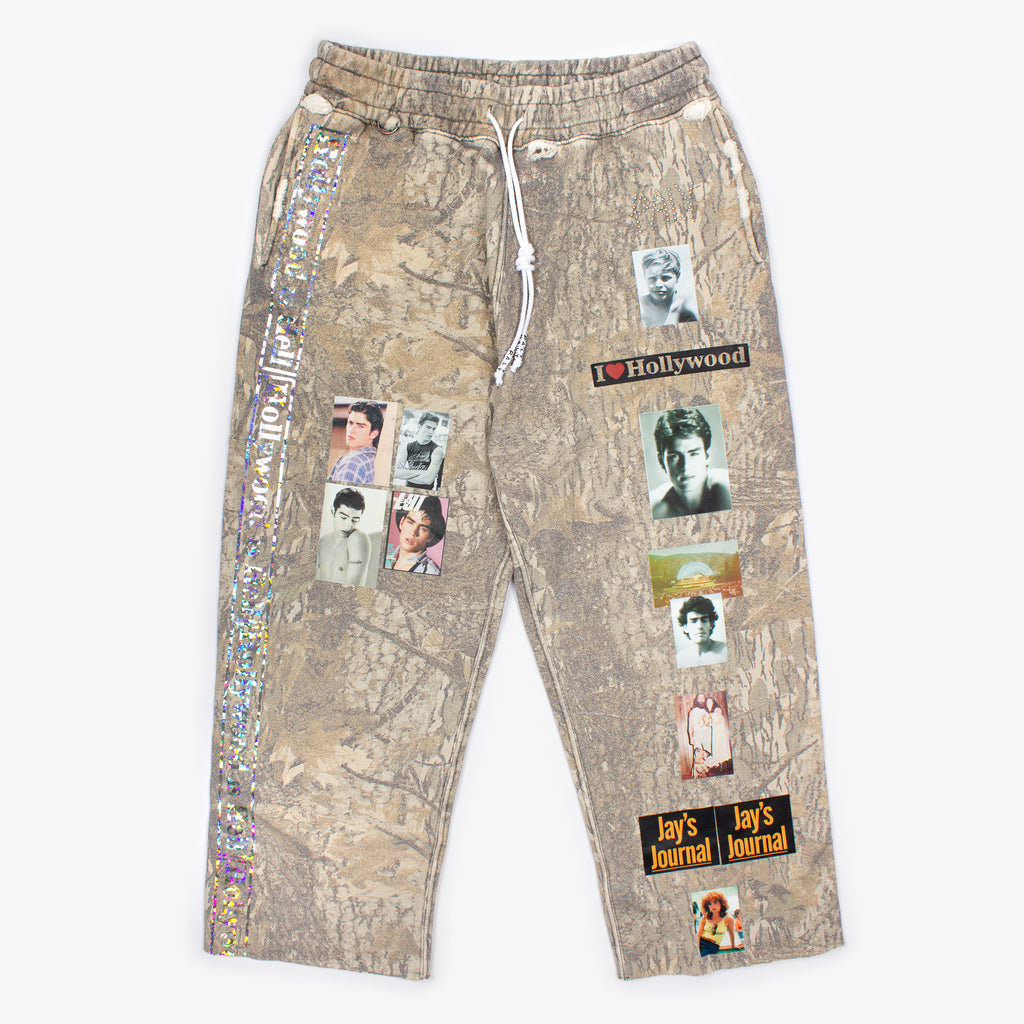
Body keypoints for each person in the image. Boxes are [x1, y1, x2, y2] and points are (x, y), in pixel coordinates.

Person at [650, 407, 731, 519]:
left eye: (693, 454)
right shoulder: (654, 508)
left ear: (707, 457)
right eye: (674, 456)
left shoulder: (726, 486)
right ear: (661, 461)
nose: (685, 466)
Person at [316, 488, 371, 585]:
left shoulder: (357, 538)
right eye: (343, 518)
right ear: (333, 511)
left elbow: (352, 588)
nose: (348, 525)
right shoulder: (323, 541)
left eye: (355, 520)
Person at [384, 496, 447, 574]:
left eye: (423, 528)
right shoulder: (384, 555)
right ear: (401, 523)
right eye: (410, 522)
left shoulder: (432, 572)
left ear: (431, 536)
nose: (413, 532)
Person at [638, 248, 697, 327]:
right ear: (645, 277)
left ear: (677, 277)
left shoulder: (687, 310)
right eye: (652, 278)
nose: (658, 284)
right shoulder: (639, 307)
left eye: (665, 278)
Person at [328, 402, 383, 484]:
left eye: (360, 426)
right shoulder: (373, 458)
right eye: (350, 423)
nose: (351, 430)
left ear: (373, 434)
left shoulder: (351, 463)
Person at [393, 412, 446, 489]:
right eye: (428, 427)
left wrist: (405, 474)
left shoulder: (437, 450)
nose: (431, 432)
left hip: (425, 491)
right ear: (419, 427)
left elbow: (428, 480)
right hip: (407, 489)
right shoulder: (407, 447)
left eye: (433, 429)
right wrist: (424, 473)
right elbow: (396, 473)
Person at [675, 595, 727, 668]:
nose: (700, 626)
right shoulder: (680, 658)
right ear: (685, 628)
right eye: (693, 621)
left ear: (711, 624)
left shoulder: (727, 651)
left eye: (704, 620)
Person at [696, 891, 738, 957]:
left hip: (712, 946)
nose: (713, 906)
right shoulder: (704, 918)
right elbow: (698, 935)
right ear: (707, 906)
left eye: (715, 902)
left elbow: (731, 933)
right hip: (700, 943)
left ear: (721, 903)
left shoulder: (728, 918)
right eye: (710, 904)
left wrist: (733, 946)